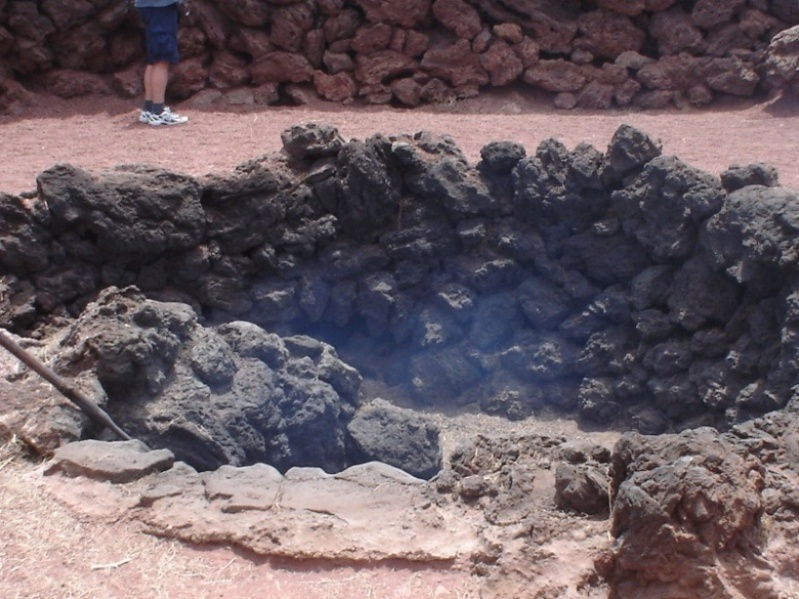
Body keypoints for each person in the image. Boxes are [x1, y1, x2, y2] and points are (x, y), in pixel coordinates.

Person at [134, 0, 189, 126]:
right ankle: (158, 111)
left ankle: (149, 108)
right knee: (162, 58)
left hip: (149, 6)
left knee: (153, 59)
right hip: (161, 6)